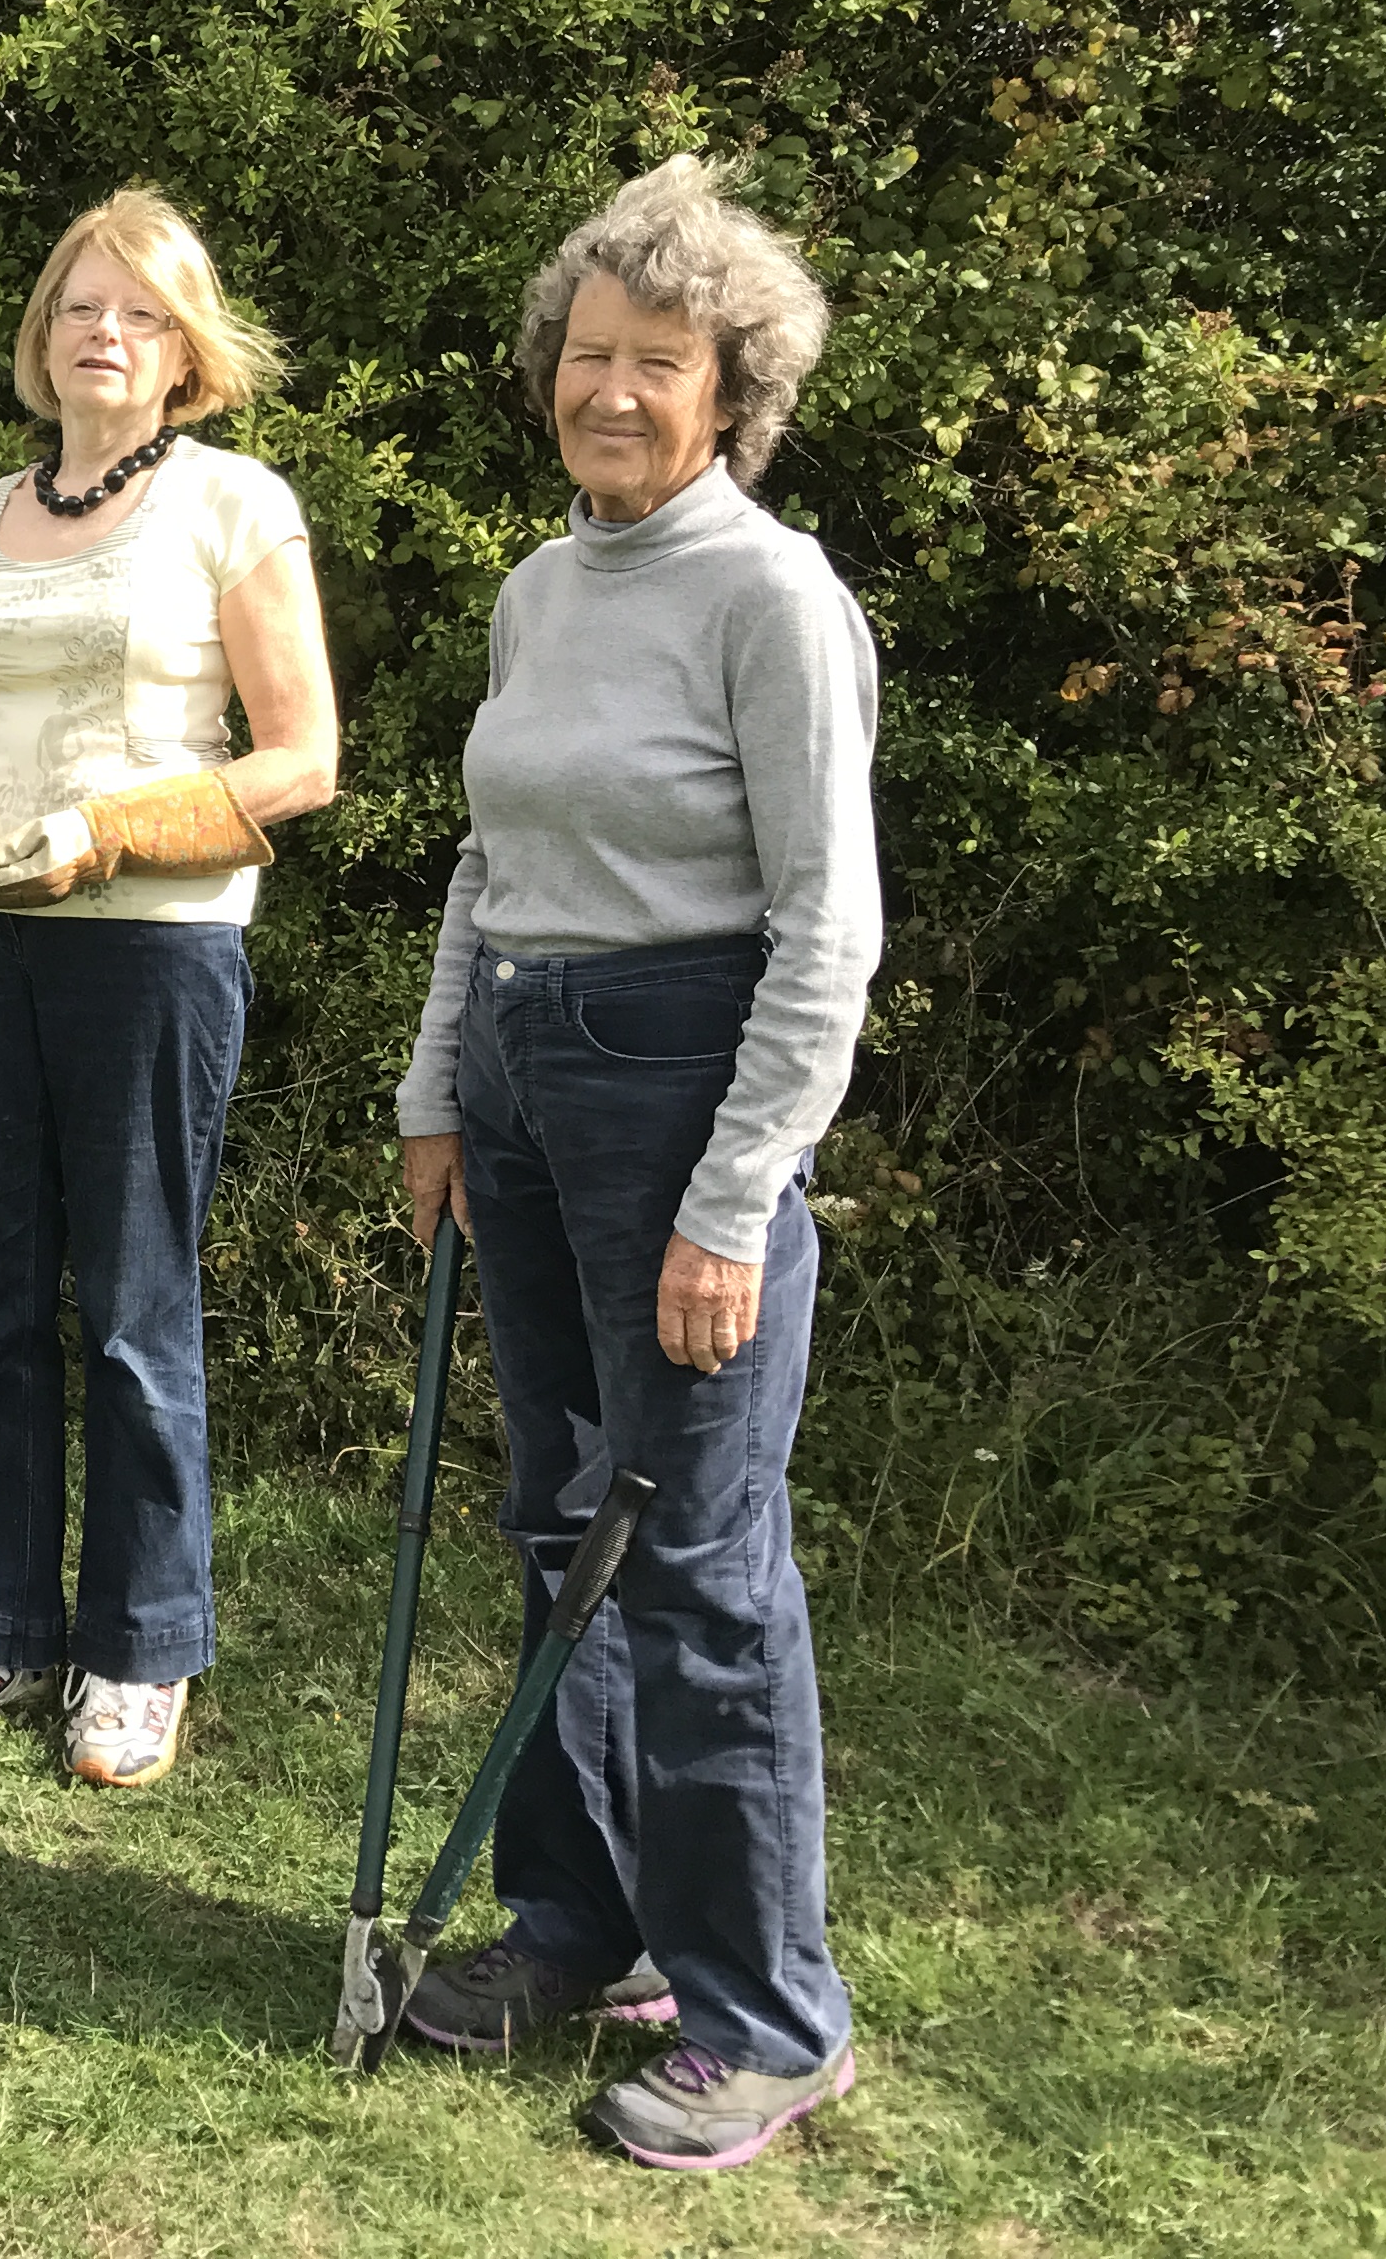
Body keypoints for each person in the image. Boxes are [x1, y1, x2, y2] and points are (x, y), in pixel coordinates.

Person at [387, 157, 875, 2174]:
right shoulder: (538, 583)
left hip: (682, 1089)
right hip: (522, 1071)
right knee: (550, 1527)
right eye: (586, 355)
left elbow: (827, 924)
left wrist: (734, 1194)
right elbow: (492, 863)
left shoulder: (771, 597)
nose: (607, 390)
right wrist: (437, 1085)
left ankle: (769, 2016)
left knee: (694, 1563)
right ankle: (576, 1930)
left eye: (652, 363)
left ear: (728, 386)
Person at [0, 191, 339, 1787]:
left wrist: (107, 832)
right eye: (78, 306)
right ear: (41, 334)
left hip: (153, 938)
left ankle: (141, 1654)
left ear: (184, 347)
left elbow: (304, 760)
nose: (102, 334)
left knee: (134, 1307)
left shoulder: (232, 503)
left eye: (138, 312)